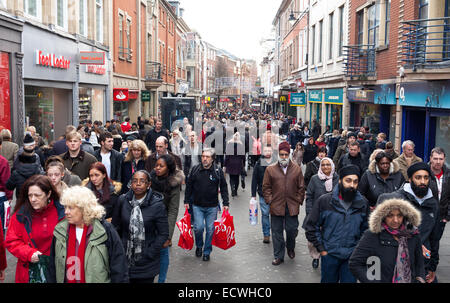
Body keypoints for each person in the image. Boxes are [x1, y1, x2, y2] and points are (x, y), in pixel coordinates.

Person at [47, 186, 129, 283]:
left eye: (71, 208)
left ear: (84, 208)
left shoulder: (104, 230)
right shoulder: (60, 230)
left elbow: (118, 267)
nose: (66, 212)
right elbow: (52, 268)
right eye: (65, 207)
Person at [377, 162, 440, 283]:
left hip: (422, 265)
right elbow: (379, 230)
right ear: (410, 179)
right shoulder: (393, 199)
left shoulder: (433, 204)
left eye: (426, 178)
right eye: (418, 177)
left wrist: (433, 266)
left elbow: (434, 238)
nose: (422, 181)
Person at [304, 165, 369, 283]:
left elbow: (366, 230)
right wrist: (321, 249)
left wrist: (358, 251)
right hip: (330, 255)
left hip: (351, 256)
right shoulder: (325, 201)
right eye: (348, 181)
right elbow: (311, 227)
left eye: (355, 182)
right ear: (340, 181)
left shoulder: (363, 203)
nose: (352, 185)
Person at [349, 198, 425, 283]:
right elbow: (355, 263)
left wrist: (420, 279)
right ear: (383, 216)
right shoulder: (372, 235)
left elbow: (419, 263)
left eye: (399, 215)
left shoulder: (413, 234)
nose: (395, 220)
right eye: (390, 215)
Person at [5, 175, 65, 283]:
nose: (33, 199)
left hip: (57, 270)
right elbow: (11, 240)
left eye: (37, 195)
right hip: (29, 271)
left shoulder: (63, 212)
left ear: (48, 194)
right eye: (30, 195)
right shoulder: (21, 215)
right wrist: (29, 253)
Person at [113, 170, 169, 283]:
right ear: (131, 184)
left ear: (148, 185)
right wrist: (119, 248)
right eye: (135, 181)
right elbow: (115, 227)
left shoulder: (157, 205)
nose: (138, 184)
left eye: (142, 181)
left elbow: (163, 234)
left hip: (147, 262)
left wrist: (150, 252)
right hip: (125, 259)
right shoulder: (123, 200)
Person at [262, 142, 305, 266]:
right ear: (278, 155)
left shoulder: (296, 169)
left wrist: (298, 200)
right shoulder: (270, 169)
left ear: (289, 155)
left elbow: (301, 187)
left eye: (286, 154)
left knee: (291, 230)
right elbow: (266, 187)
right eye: (282, 154)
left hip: (291, 205)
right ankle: (278, 255)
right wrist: (270, 200)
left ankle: (290, 247)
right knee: (276, 232)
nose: (284, 157)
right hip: (276, 205)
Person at [184, 148, 229, 262]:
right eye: (203, 156)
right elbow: (188, 186)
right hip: (197, 205)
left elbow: (223, 187)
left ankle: (207, 251)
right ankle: (199, 246)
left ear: (212, 159)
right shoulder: (195, 170)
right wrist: (186, 201)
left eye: (207, 157)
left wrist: (226, 203)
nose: (204, 159)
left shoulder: (218, 171)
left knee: (210, 229)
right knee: (198, 228)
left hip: (212, 206)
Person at [149, 155, 184, 283]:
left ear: (168, 169)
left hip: (162, 223)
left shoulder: (173, 184)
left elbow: (173, 210)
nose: (157, 168)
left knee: (163, 251)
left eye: (161, 166)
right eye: (156, 165)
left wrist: (168, 236)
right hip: (148, 222)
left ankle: (161, 280)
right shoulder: (150, 179)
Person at [302, 157, 339, 269]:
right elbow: (309, 196)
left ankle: (327, 257)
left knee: (329, 238)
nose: (325, 167)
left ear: (332, 166)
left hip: (332, 215)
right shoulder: (315, 179)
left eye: (328, 165)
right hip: (316, 214)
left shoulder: (337, 178)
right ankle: (315, 256)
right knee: (313, 239)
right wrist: (309, 212)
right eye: (323, 165)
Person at [7, 133, 44, 199]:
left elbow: (9, 186)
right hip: (35, 197)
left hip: (21, 198)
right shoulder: (37, 169)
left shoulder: (16, 171)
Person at [251, 146, 275, 244]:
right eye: (266, 150)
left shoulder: (276, 162)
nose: (268, 152)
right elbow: (254, 179)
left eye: (269, 150)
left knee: (275, 215)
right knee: (265, 214)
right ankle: (266, 234)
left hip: (276, 194)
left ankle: (275, 233)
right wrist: (253, 194)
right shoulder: (258, 163)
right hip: (263, 193)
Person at [428, 147, 450, 241]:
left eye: (440, 159)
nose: (438, 161)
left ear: (444, 159)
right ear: (430, 158)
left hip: (441, 217)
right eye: (435, 158)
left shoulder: (448, 174)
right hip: (426, 217)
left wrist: (447, 216)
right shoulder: (423, 174)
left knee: (435, 243)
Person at [224, 132, 246, 197]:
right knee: (237, 178)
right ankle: (235, 190)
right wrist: (243, 164)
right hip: (238, 164)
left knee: (231, 178)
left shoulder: (229, 144)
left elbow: (227, 156)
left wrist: (225, 165)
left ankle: (232, 188)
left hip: (230, 163)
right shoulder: (241, 145)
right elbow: (243, 157)